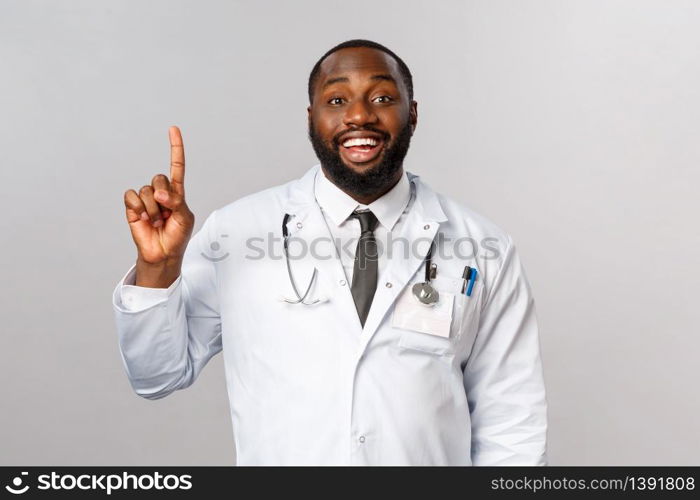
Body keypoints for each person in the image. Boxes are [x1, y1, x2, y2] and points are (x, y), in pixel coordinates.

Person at [113, 39, 548, 466]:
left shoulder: (483, 246)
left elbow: (512, 419)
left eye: (381, 97)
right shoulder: (236, 232)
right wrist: (159, 268)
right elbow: (157, 375)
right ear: (311, 118)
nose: (359, 115)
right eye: (336, 100)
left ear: (412, 114)